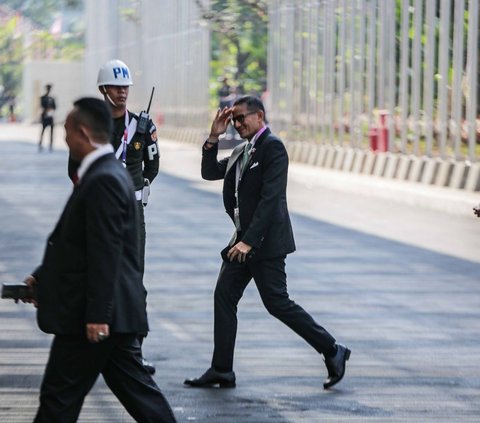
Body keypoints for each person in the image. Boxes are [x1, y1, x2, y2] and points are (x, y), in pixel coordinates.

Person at [23, 97, 176, 422]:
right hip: (111, 314)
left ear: (83, 132)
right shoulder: (105, 174)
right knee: (142, 400)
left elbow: (106, 253)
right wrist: (44, 275)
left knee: (58, 398)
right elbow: (80, 243)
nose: (63, 139)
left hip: (94, 316)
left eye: (67, 132)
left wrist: (98, 316)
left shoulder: (104, 179)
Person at [184, 96, 350, 390]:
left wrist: (249, 241)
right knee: (224, 296)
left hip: (264, 243)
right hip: (243, 242)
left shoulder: (273, 147)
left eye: (241, 118)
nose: (236, 124)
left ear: (259, 115)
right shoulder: (242, 150)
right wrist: (213, 137)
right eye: (233, 120)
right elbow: (209, 172)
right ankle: (222, 369)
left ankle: (332, 349)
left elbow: (270, 199)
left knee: (277, 303)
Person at [68, 59, 159, 374]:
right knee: (96, 270)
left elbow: (153, 166)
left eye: (126, 87)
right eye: (116, 87)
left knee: (134, 279)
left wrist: (135, 187)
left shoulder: (142, 126)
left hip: (131, 210)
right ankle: (92, 340)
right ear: (103, 89)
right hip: (96, 208)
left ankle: (134, 350)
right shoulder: (92, 127)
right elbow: (74, 168)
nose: (122, 93)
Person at [38, 84, 56, 151]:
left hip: (50, 116)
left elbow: (55, 107)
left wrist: (51, 109)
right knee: (43, 130)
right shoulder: (43, 98)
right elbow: (42, 105)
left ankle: (51, 144)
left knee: (51, 131)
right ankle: (40, 143)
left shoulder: (52, 98)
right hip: (45, 116)